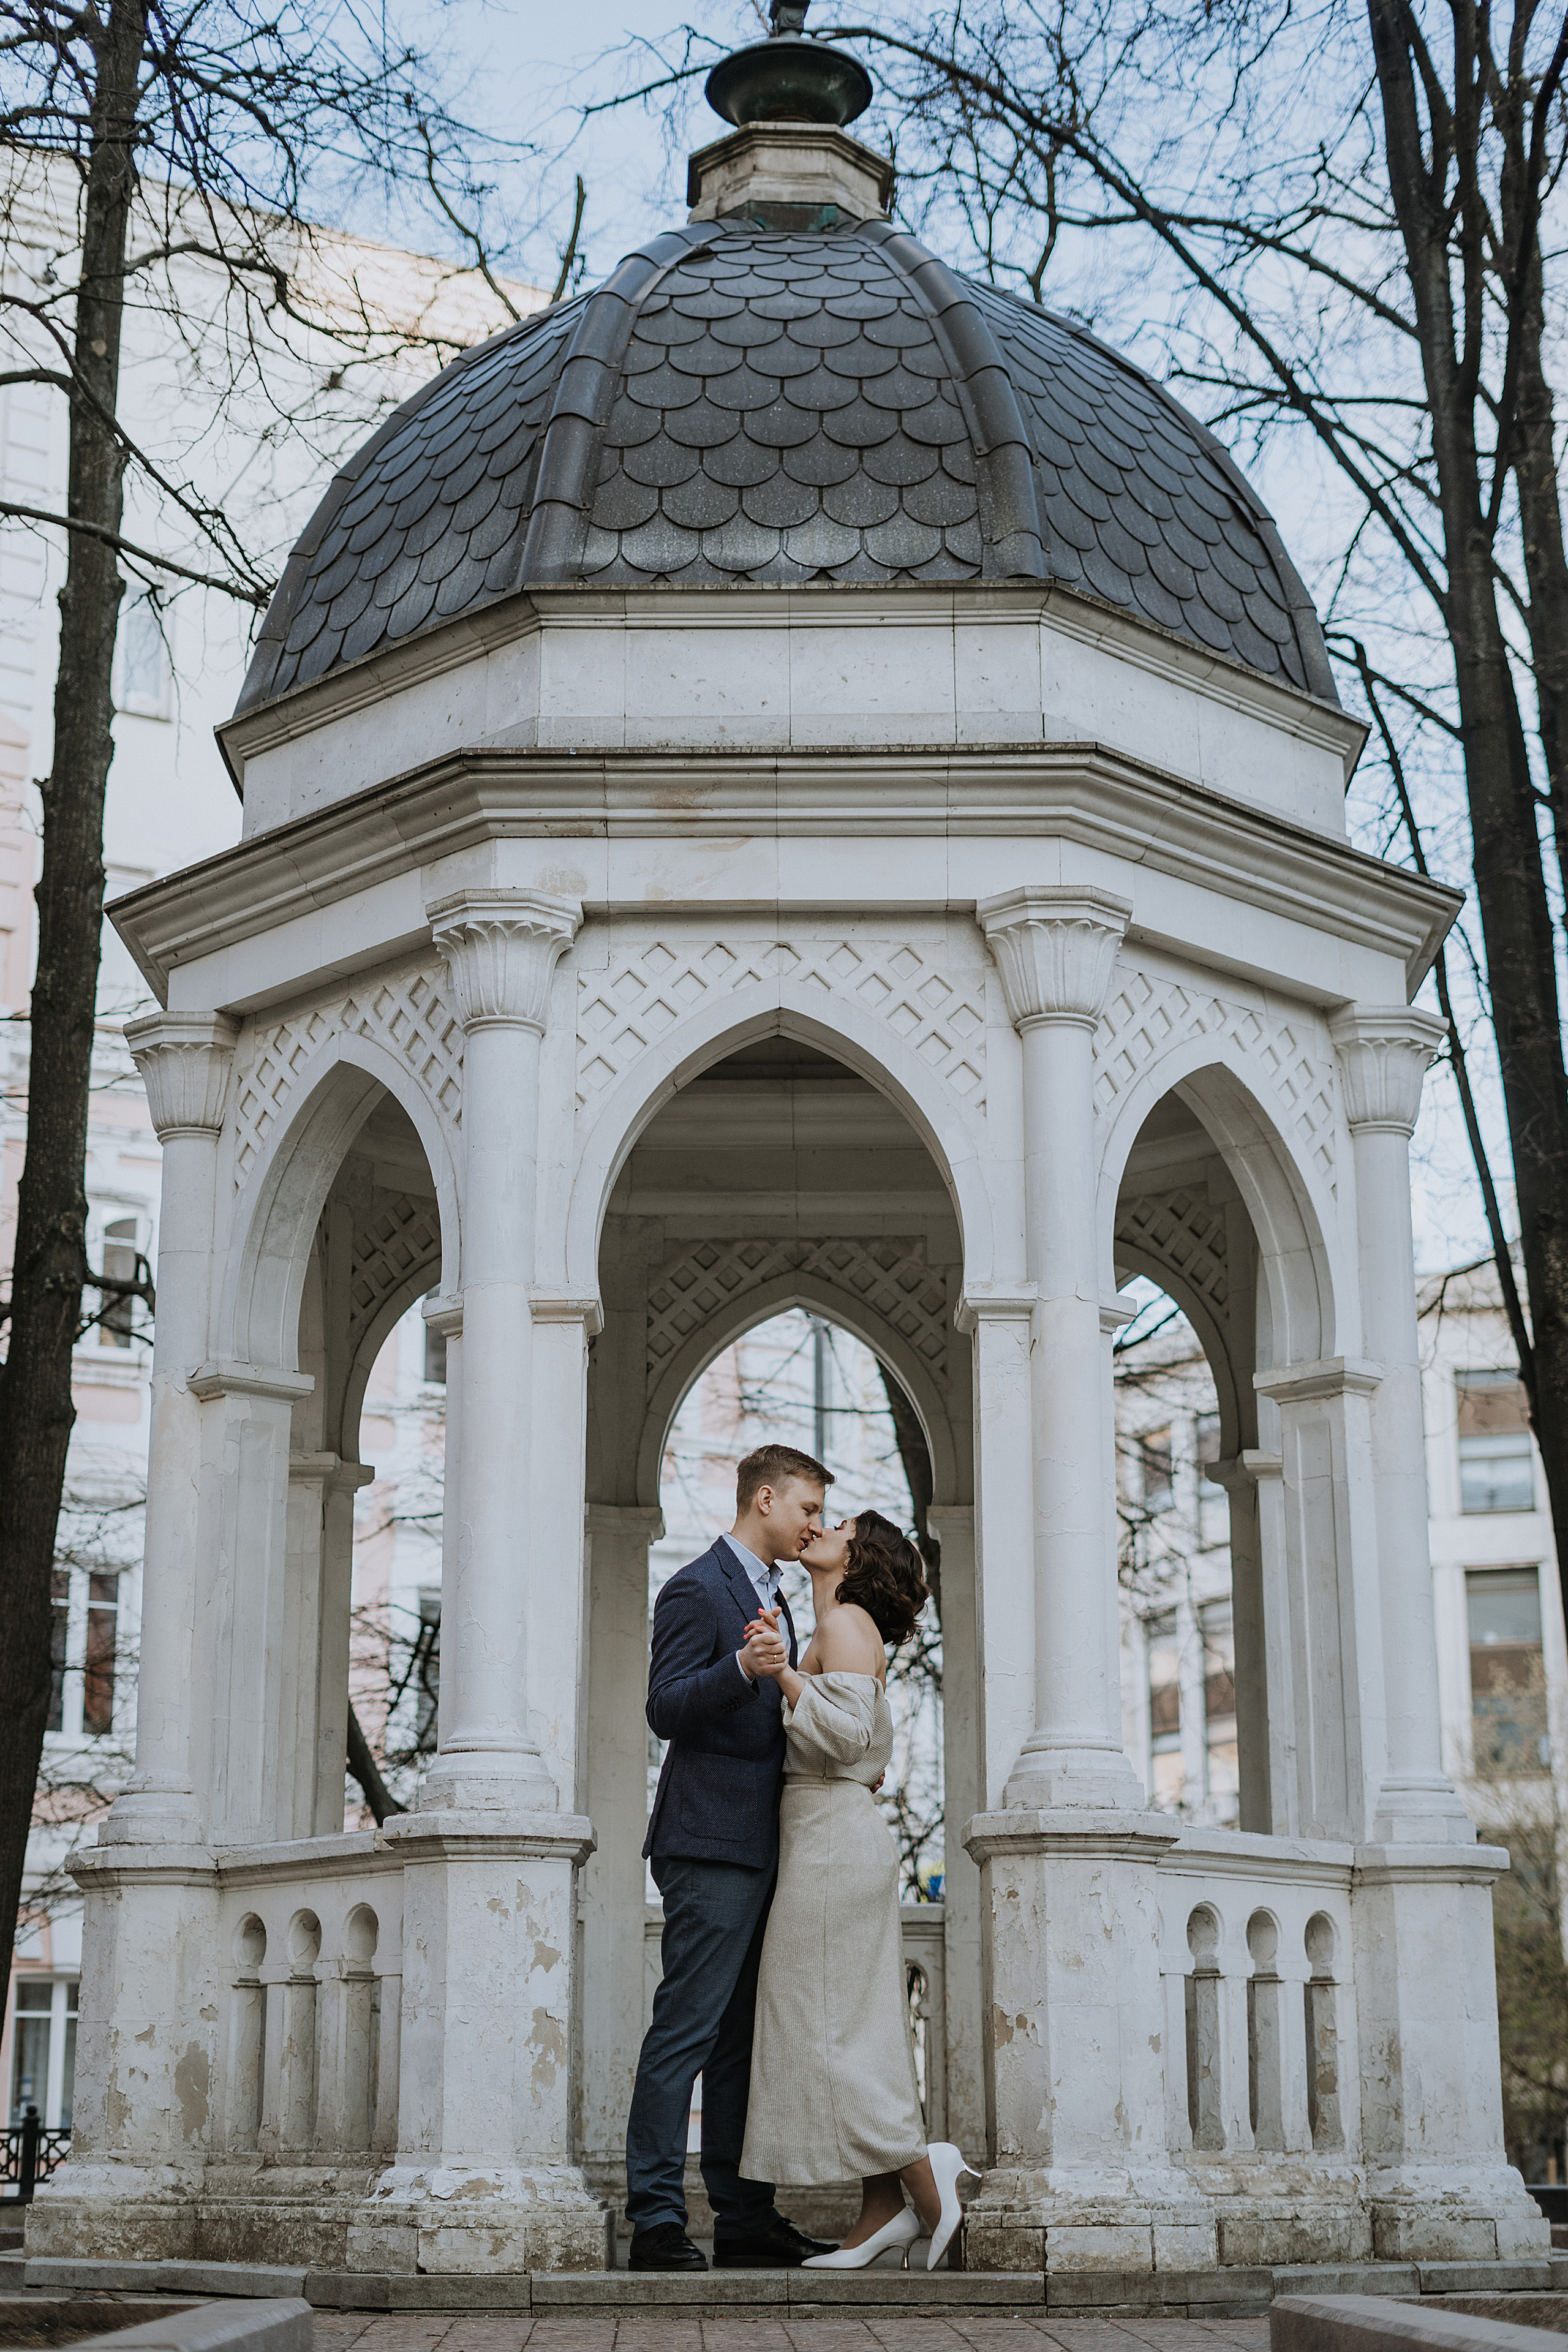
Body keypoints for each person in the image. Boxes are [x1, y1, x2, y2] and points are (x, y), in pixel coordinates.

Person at [739, 1510, 977, 2272]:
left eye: (835, 1524)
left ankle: (920, 2172)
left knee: (822, 2024)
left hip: (831, 1848)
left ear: (860, 1553)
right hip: (832, 1835)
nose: (816, 1529)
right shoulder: (847, 1626)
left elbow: (843, 1738)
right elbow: (865, 1743)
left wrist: (779, 1673)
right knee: (843, 2020)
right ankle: (879, 2215)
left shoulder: (842, 1622)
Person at [624, 1443, 842, 2274]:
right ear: (765, 1498)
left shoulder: (780, 1597)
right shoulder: (695, 1587)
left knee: (744, 2044)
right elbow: (664, 1708)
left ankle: (746, 2219)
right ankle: (655, 2221)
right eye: (807, 1509)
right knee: (685, 2032)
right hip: (708, 1842)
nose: (813, 1525)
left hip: (766, 1847)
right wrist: (740, 1668)